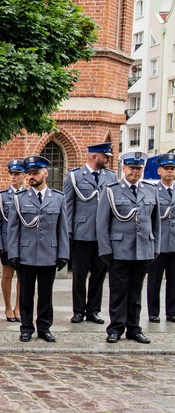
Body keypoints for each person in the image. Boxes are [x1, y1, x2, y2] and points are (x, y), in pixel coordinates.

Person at [98, 151, 159, 344]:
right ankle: (115, 328)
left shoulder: (151, 190)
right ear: (123, 168)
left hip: (142, 249)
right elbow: (102, 223)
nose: (135, 171)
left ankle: (134, 328)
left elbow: (155, 222)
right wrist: (105, 248)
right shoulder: (111, 190)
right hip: (119, 249)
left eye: (139, 168)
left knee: (135, 291)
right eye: (132, 167)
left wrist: (154, 247)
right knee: (118, 291)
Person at [6, 156, 68, 343]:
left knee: (46, 295)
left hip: (49, 253)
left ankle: (44, 328)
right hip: (26, 254)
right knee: (26, 294)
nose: (32, 177)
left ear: (45, 173)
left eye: (36, 173)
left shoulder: (58, 198)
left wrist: (63, 253)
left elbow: (63, 228)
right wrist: (13, 253)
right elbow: (13, 230)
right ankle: (26, 327)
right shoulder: (20, 199)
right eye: (30, 174)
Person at [64, 142, 118, 324]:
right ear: (95, 156)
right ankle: (78, 310)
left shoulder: (110, 177)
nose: (108, 160)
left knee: (99, 274)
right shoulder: (75, 176)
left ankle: (93, 310)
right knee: (79, 275)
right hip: (82, 233)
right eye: (105, 157)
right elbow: (68, 206)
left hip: (103, 235)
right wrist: (68, 231)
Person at [0, 159, 26, 323]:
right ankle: (7, 306)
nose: (13, 177)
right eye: (11, 174)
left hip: (24, 242)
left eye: (17, 174)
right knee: (7, 274)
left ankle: (18, 307)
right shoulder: (2, 196)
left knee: (22, 275)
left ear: (23, 176)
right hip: (7, 241)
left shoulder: (28, 194)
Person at [148, 153, 175, 323]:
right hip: (159, 242)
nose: (170, 172)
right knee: (155, 280)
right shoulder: (153, 191)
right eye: (166, 169)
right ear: (159, 171)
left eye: (172, 169)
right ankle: (153, 311)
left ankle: (172, 311)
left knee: (173, 280)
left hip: (174, 243)